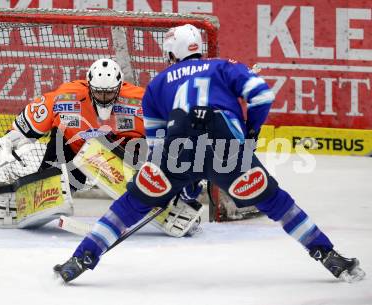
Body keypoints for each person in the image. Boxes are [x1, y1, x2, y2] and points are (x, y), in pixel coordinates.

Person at [53, 25, 366, 283]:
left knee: (133, 203)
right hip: (224, 141)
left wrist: (181, 181)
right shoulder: (224, 66)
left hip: (176, 144)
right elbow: (262, 96)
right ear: (198, 48)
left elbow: (158, 141)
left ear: (171, 54)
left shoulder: (159, 83)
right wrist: (250, 132)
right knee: (275, 201)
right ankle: (328, 256)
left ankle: (81, 257)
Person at [0, 58, 203, 235]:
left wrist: (181, 173)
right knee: (56, 184)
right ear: (88, 86)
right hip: (72, 148)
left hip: (122, 153)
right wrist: (4, 146)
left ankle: (160, 198)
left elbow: (173, 136)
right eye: (98, 91)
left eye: (109, 92)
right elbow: (26, 126)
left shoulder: (139, 102)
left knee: (143, 163)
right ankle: (34, 194)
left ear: (120, 86)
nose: (104, 97)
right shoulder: (64, 97)